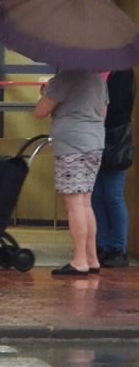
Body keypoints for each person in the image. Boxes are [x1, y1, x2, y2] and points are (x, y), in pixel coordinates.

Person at [34, 70, 108, 276]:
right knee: (85, 202)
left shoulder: (65, 77)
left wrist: (46, 93)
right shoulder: (98, 79)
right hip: (95, 143)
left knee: (74, 204)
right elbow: (103, 113)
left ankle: (79, 260)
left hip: (72, 145)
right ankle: (92, 258)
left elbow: (40, 111)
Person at [92, 69, 135, 268]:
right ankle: (101, 245)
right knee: (96, 195)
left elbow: (118, 107)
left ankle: (118, 247)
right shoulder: (94, 72)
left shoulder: (122, 72)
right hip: (93, 136)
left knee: (112, 194)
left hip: (115, 138)